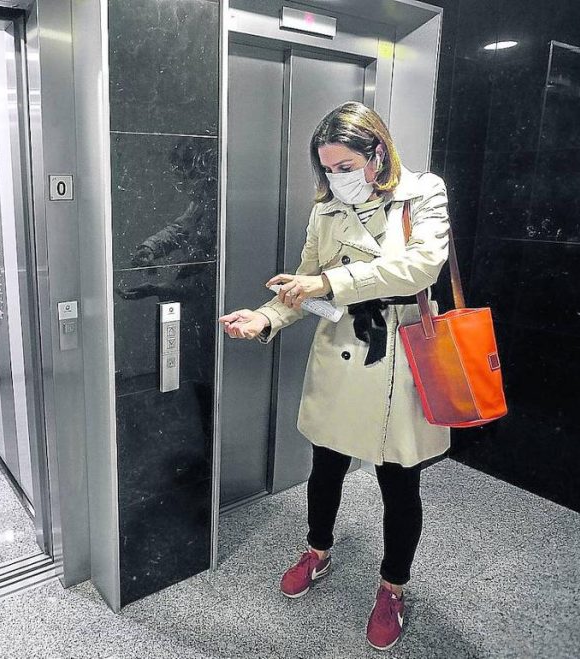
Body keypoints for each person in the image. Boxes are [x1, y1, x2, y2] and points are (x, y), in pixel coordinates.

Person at [219, 101, 452, 652]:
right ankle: (317, 550)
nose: (335, 178)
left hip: (400, 350)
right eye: (327, 168)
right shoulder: (325, 211)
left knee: (399, 482)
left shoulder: (423, 193)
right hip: (342, 351)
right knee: (325, 466)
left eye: (346, 166)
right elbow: (304, 284)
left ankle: (393, 587)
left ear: (378, 153)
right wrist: (267, 315)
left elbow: (422, 266)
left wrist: (332, 283)